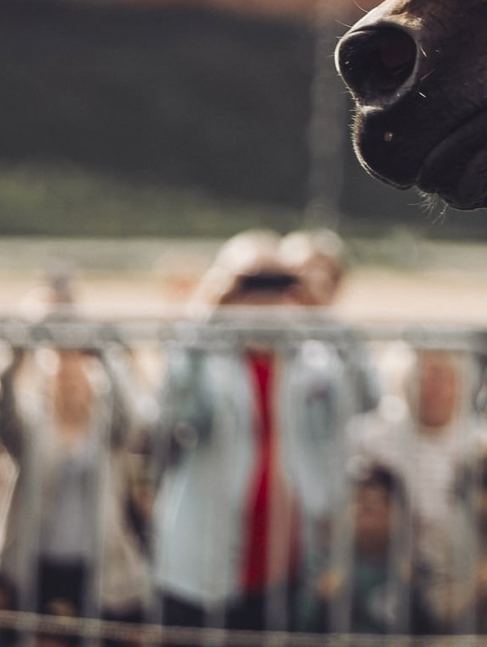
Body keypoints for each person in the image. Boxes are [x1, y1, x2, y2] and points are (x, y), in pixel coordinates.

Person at [146, 231, 345, 634]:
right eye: (251, 284)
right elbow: (174, 407)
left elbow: (364, 396)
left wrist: (316, 309)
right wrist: (207, 309)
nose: (264, 298)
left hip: (285, 564)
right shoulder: (209, 362)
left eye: (275, 283)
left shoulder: (312, 361)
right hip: (202, 566)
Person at [0, 345, 153, 632]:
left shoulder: (106, 430)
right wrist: (17, 354)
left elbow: (131, 416)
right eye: (62, 373)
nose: (69, 380)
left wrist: (105, 352)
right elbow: (1, 415)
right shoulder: (31, 426)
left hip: (96, 569)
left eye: (76, 372)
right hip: (33, 564)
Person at [354, 346, 483, 629]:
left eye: (442, 379)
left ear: (460, 387)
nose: (431, 388)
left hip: (458, 570)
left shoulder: (486, 442)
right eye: (423, 378)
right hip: (388, 571)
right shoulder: (370, 437)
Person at [297, 460, 432, 636]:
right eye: (360, 499)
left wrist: (415, 593)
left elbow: (434, 631)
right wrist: (321, 600)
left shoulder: (419, 566)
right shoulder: (323, 563)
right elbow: (299, 628)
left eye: (382, 500)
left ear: (402, 514)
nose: (369, 507)